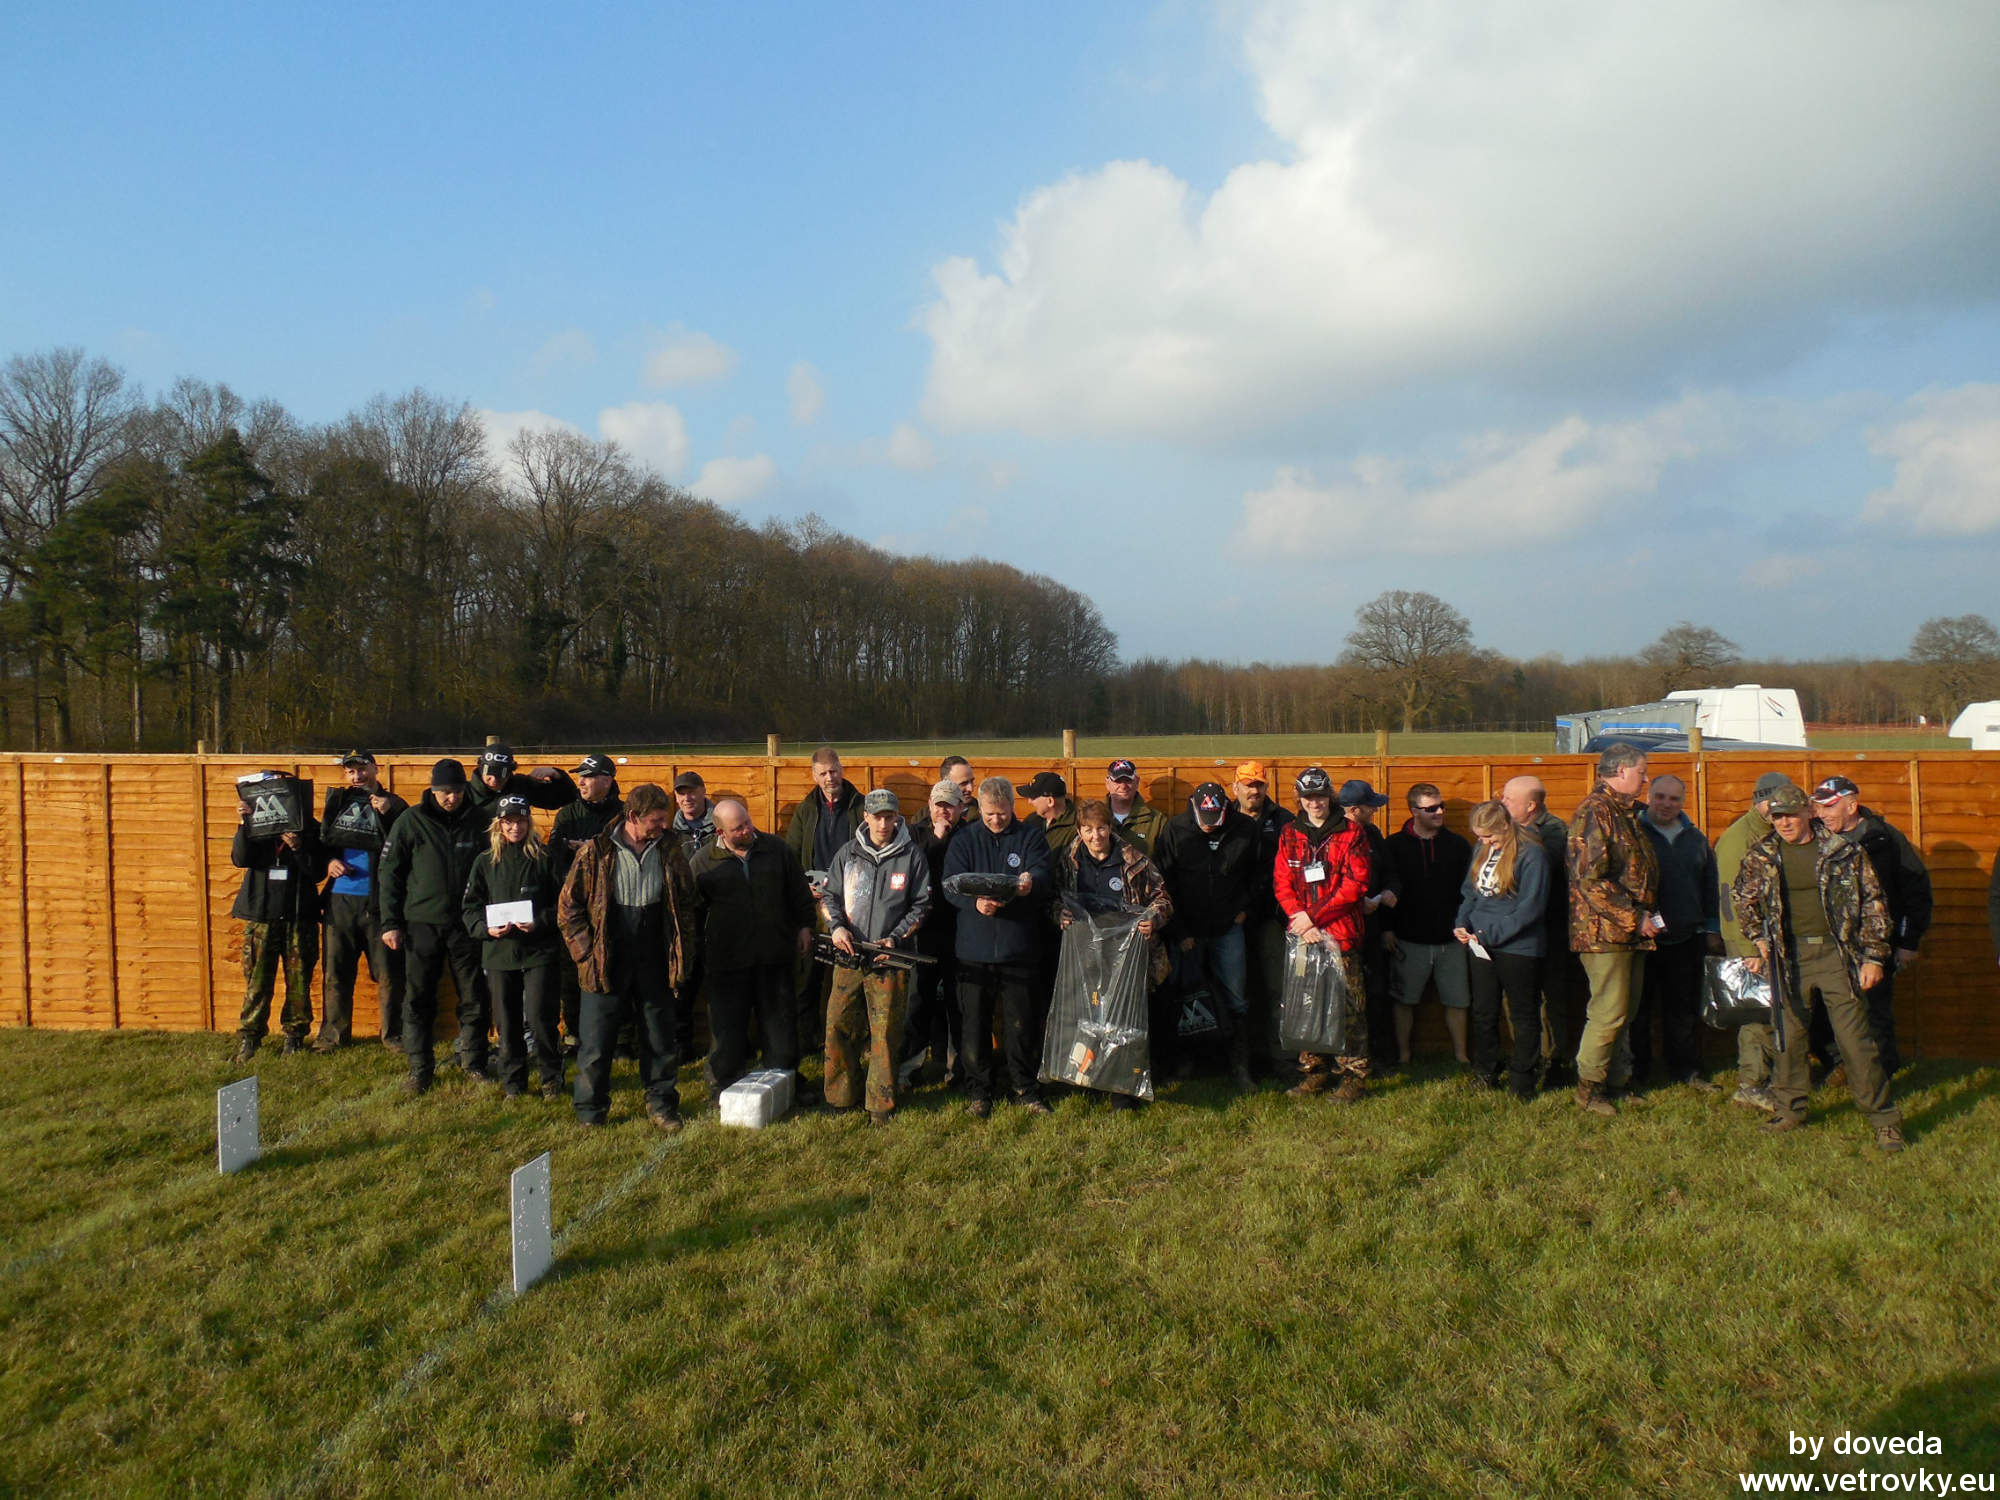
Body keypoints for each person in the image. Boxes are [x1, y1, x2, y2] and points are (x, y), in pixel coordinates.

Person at [1733, 784, 1904, 1153]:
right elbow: (1743, 900)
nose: (1784, 823)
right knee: (1789, 1039)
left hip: (1835, 956)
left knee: (1855, 1042)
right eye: (1777, 817)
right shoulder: (1762, 854)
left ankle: (1884, 1120)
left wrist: (1874, 957)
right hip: (1787, 959)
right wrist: (1758, 939)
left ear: (1808, 812)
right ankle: (1789, 1110)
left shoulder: (1844, 851)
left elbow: (1874, 903)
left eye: (1791, 815)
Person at [558, 783, 699, 1130]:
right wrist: (586, 953)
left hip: (654, 954)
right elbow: (568, 908)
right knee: (596, 1042)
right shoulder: (595, 852)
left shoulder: (670, 849)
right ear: (633, 816)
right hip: (606, 956)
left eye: (664, 819)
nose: (663, 825)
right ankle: (590, 1112)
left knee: (659, 1037)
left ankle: (662, 1105)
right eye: (656, 820)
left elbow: (686, 901)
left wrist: (682, 947)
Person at [693, 797, 819, 1103]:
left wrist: (805, 925)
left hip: (774, 955)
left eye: (748, 822)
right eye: (738, 828)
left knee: (780, 1026)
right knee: (727, 1029)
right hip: (727, 962)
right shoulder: (703, 863)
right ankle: (722, 1086)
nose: (747, 830)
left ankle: (787, 1081)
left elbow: (798, 891)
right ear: (720, 833)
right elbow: (692, 913)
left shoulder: (776, 850)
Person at [943, 776, 1055, 1118]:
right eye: (990, 813)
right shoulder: (964, 840)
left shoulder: (1030, 837)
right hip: (973, 950)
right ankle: (980, 1092)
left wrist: (1031, 883)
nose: (996, 819)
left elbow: (1044, 874)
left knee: (1022, 1024)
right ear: (979, 808)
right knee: (974, 1026)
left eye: (1002, 813)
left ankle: (1025, 1089)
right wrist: (974, 904)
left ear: (1012, 807)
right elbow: (949, 886)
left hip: (1019, 947)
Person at [379, 759, 493, 1092]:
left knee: (474, 996)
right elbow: (390, 874)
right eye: (445, 792)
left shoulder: (480, 821)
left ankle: (474, 1063)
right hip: (421, 925)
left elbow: (495, 868)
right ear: (432, 789)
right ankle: (420, 1069)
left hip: (468, 925)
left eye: (457, 791)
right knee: (418, 998)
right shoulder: (411, 821)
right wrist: (390, 922)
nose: (451, 798)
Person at [820, 788, 932, 1125]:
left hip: (889, 959)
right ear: (865, 817)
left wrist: (895, 938)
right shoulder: (847, 854)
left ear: (897, 817)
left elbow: (921, 905)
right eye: (878, 817)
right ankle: (841, 1097)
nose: (883, 824)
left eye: (889, 817)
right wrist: (837, 928)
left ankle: (880, 1104)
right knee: (838, 1026)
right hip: (848, 956)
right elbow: (829, 896)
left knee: (885, 1034)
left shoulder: (912, 857)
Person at [1052, 798, 1173, 1109]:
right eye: (1088, 830)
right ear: (1079, 831)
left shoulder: (1133, 860)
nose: (1096, 836)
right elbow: (1053, 897)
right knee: (1088, 1018)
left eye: (1101, 828)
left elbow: (1163, 898)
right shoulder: (1069, 860)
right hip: (1086, 956)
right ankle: (1091, 1079)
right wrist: (1058, 913)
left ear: (1110, 828)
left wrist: (1152, 918)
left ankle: (1123, 1087)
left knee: (1123, 1021)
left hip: (1124, 958)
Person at [1809, 775, 1931, 1077]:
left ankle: (1882, 1075)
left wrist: (1908, 942)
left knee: (1874, 1012)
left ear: (1852, 806)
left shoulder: (1885, 839)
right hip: (1827, 946)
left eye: (1829, 807)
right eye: (1818, 808)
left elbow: (1915, 891)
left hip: (1873, 945)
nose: (1822, 814)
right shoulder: (1815, 839)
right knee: (1823, 1012)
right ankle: (1839, 1067)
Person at [1568, 743, 1662, 1118]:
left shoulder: (1626, 813)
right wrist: (1633, 917)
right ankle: (1589, 1089)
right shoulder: (1596, 811)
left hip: (1628, 933)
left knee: (1625, 1012)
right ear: (1621, 771)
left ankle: (1617, 1082)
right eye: (1642, 772)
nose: (1646, 779)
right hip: (1604, 934)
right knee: (1608, 1013)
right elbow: (1589, 879)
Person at [1153, 781, 1263, 1090]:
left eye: (1216, 818)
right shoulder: (1175, 830)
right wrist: (1179, 930)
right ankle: (1185, 1063)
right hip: (1188, 930)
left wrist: (1246, 910)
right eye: (1205, 818)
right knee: (1185, 995)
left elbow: (1260, 874)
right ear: (1193, 806)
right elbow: (1163, 882)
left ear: (1226, 808)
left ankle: (1240, 1067)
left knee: (1236, 998)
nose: (1209, 824)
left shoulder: (1245, 829)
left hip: (1229, 927)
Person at [1274, 767, 1374, 1102]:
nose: (1314, 803)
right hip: (1304, 938)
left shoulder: (1352, 832)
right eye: (1308, 797)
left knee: (1350, 1009)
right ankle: (1313, 1072)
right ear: (1299, 798)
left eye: (1320, 796)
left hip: (1341, 936)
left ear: (1330, 796)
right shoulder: (1289, 833)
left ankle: (1353, 1076)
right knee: (1307, 1006)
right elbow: (1281, 882)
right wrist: (1301, 919)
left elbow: (1355, 884)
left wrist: (1313, 917)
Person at [462, 795, 564, 1100]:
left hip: (539, 951)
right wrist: (486, 929)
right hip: (499, 953)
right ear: (499, 824)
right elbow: (470, 908)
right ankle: (514, 1083)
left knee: (541, 1018)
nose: (515, 828)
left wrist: (539, 922)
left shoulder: (544, 858)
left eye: (520, 821)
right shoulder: (484, 862)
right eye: (508, 822)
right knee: (507, 1023)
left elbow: (563, 904)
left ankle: (551, 1079)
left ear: (528, 823)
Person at [1453, 799, 1550, 1098]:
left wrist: (1490, 933)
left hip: (1518, 946)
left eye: (1490, 836)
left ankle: (1522, 1079)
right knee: (1484, 1011)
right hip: (1481, 943)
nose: (1484, 842)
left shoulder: (1532, 855)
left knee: (1523, 1013)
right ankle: (1485, 1071)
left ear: (1507, 826)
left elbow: (1531, 908)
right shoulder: (1482, 849)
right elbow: (1470, 892)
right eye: (1480, 837)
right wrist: (1462, 923)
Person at [1634, 774, 1721, 1092]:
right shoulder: (1634, 834)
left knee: (1683, 1011)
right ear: (1649, 796)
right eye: (1660, 796)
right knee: (1638, 1011)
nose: (1666, 804)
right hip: (1642, 939)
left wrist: (1712, 927)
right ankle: (1637, 1073)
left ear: (1683, 802)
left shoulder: (1695, 838)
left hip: (1687, 938)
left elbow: (1710, 885)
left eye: (1673, 799)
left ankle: (1686, 1070)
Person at [316, 750, 407, 1052]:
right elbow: (321, 844)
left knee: (389, 975)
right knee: (336, 974)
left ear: (376, 769)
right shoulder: (338, 803)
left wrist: (390, 812)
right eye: (351, 771)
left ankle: (393, 1036)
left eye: (362, 769)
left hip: (380, 904)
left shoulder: (395, 804)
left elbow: (409, 843)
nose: (357, 776)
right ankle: (332, 1037)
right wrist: (329, 862)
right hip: (339, 902)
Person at [1715, 773, 1795, 1111]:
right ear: (1758, 802)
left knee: (1776, 1010)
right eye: (1772, 803)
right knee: (1757, 1012)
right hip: (1749, 941)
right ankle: (1752, 1084)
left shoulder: (1773, 832)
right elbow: (1729, 900)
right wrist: (1749, 949)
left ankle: (1776, 1078)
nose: (1778, 811)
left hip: (1774, 938)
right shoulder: (1739, 839)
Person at [229, 775, 323, 1062]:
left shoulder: (310, 827)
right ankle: (250, 1037)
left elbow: (318, 871)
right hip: (261, 914)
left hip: (299, 916)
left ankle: (294, 1036)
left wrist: (298, 848)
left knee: (298, 981)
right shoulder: (256, 826)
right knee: (257, 981)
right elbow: (240, 859)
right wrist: (244, 822)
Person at [1384, 783, 1474, 1070]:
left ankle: (1461, 1057)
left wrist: (1465, 926)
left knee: (1458, 1001)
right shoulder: (1393, 846)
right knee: (1404, 1001)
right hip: (1408, 939)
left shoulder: (1458, 845)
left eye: (1441, 806)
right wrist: (1387, 929)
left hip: (1452, 940)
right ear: (1414, 811)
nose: (1440, 812)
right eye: (1431, 808)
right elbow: (1385, 889)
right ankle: (1403, 1056)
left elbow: (1469, 891)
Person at [786, 745, 864, 1056]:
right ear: (814, 776)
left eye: (833, 771)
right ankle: (806, 1041)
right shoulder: (806, 809)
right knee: (808, 975)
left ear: (842, 769)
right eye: (823, 773)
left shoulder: (860, 805)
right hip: (814, 904)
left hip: (852, 904)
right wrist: (804, 886)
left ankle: (853, 1043)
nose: (829, 777)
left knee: (851, 976)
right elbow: (791, 856)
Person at [1500, 775, 1575, 1089]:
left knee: (1552, 1000)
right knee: (1518, 1000)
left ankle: (1556, 1063)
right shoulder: (1507, 830)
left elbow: (1542, 868)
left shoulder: (1554, 832)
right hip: (1515, 932)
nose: (1502, 803)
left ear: (1531, 806)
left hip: (1549, 931)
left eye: (1508, 799)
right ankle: (1525, 1060)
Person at [550, 753, 624, 1053]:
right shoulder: (567, 814)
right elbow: (555, 856)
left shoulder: (623, 814)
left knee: (616, 971)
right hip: (577, 907)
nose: (581, 782)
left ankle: (620, 1040)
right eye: (579, 776)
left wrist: (590, 849)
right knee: (572, 972)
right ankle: (573, 1035)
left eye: (588, 776)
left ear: (607, 780)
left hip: (615, 905)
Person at [902, 779, 966, 1087]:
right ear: (929, 806)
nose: (944, 811)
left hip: (959, 930)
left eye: (949, 806)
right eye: (938, 805)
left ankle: (958, 1070)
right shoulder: (914, 834)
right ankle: (909, 1067)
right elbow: (910, 870)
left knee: (958, 1003)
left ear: (960, 808)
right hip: (923, 930)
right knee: (918, 1001)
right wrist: (937, 839)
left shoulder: (968, 835)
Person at [1233, 761, 1295, 1075]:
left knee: (1278, 991)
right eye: (1248, 785)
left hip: (1272, 919)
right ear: (1236, 787)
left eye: (1258, 785)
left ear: (1266, 787)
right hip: (1233, 921)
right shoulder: (1223, 818)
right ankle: (1240, 1064)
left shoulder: (1285, 821)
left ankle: (1283, 1060)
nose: (1253, 791)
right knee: (1237, 993)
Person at [1339, 779, 1400, 1071]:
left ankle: (1379, 1055)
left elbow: (1391, 873)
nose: (1375, 811)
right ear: (1354, 810)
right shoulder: (1333, 836)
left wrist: (1390, 891)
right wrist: (1354, 902)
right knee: (1346, 998)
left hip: (1373, 930)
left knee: (1376, 993)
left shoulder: (1373, 834)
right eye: (1370, 807)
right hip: (1342, 932)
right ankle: (1343, 1059)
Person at [666, 770, 718, 1057]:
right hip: (684, 919)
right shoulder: (669, 834)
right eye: (681, 793)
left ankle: (725, 1045)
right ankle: (681, 1045)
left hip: (718, 915)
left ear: (703, 791)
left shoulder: (721, 826)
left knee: (720, 984)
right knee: (683, 982)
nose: (687, 798)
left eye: (692, 791)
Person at [467, 743, 579, 824]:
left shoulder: (521, 786)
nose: (494, 779)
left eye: (501, 774)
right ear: (480, 769)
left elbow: (567, 798)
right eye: (489, 772)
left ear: (511, 771)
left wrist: (557, 775)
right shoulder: (465, 793)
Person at [1103, 758, 1166, 855]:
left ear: (1137, 781)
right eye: (1118, 781)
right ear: (1107, 783)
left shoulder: (1158, 822)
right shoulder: (1092, 817)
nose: (1123, 786)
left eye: (1128, 780)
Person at [1020, 772, 1077, 855]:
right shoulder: (1031, 820)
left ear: (1050, 801)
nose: (1029, 801)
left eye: (1033, 797)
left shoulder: (1077, 827)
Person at [940, 755, 978, 824]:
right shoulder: (925, 816)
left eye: (972, 781)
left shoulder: (983, 816)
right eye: (963, 783)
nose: (971, 789)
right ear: (946, 784)